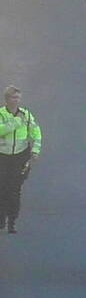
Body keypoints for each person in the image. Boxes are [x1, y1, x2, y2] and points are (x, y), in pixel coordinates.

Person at [0, 86, 42, 233]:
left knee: (15, 189)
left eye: (18, 97)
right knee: (2, 188)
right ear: (7, 99)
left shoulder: (26, 115)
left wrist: (36, 150)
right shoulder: (1, 114)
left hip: (20, 156)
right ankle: (1, 218)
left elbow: (36, 133)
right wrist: (16, 122)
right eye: (13, 97)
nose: (16, 100)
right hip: (2, 156)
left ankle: (12, 221)